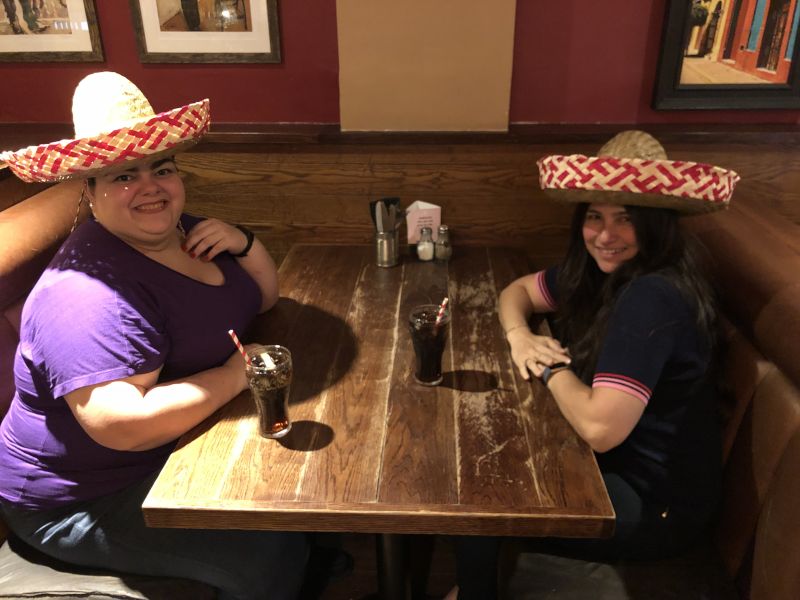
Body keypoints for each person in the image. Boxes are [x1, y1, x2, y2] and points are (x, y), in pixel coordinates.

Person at [0, 72, 308, 599]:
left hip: (165, 451)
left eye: (160, 169)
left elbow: (264, 299)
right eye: (123, 176)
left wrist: (245, 240)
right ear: (89, 190)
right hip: (78, 499)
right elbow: (121, 425)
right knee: (266, 547)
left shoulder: (181, 230)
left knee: (297, 496)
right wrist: (236, 375)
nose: (149, 186)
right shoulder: (86, 293)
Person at [448, 130, 740, 599]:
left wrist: (549, 370)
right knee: (482, 464)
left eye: (626, 219)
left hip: (652, 505)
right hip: (612, 470)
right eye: (595, 216)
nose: (605, 235)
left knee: (477, 496)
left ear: (658, 223)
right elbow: (515, 293)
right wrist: (522, 338)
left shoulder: (653, 295)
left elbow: (600, 428)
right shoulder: (602, 270)